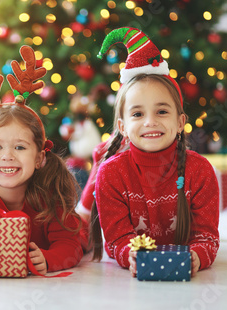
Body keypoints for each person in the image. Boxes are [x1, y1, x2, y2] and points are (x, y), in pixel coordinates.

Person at [91, 28, 220, 277]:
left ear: (181, 122)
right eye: (138, 114)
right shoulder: (111, 173)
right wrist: (130, 255)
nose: (150, 122)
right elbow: (117, 238)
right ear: (122, 127)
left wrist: (197, 257)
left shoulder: (200, 171)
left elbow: (206, 237)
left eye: (162, 111)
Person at [0, 46, 83, 275]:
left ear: (40, 158)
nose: (7, 155)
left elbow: (70, 245)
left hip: (73, 235)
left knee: (84, 231)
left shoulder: (49, 187)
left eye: (19, 147)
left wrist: (49, 259)